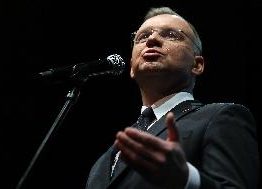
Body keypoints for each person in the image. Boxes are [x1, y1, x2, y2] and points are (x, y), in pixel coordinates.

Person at [85, 6, 260, 189]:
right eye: (143, 37)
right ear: (131, 67)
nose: (152, 39)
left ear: (197, 64)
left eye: (171, 35)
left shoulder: (222, 117)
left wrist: (186, 179)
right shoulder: (103, 162)